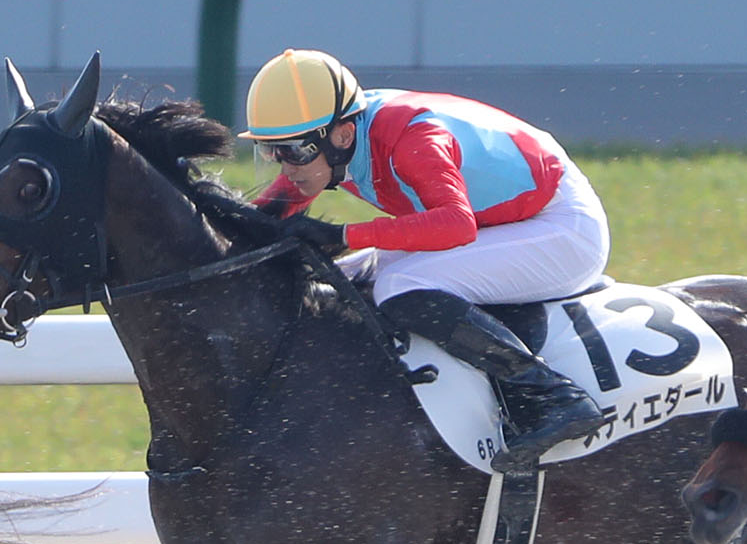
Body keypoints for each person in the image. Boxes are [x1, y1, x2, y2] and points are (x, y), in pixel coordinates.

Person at [239, 48, 610, 468]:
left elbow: (456, 225)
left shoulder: (410, 142)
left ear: (342, 135)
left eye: (294, 151)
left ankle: (554, 395)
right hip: (502, 219)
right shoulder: (338, 142)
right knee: (340, 280)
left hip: (561, 227)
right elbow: (267, 215)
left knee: (399, 286)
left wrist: (343, 235)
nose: (285, 168)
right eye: (272, 152)